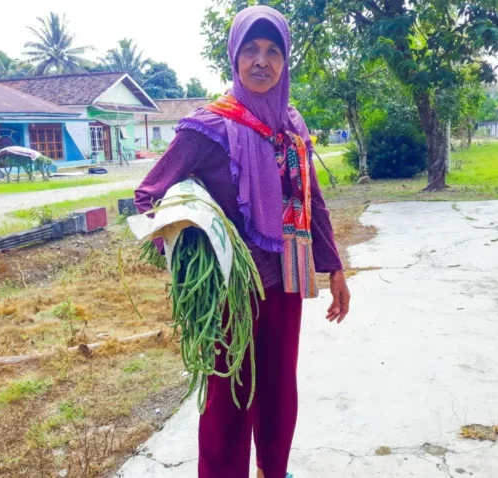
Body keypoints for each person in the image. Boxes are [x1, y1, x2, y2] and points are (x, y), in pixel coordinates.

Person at [134, 6, 350, 478]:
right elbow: (149, 195)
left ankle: (275, 471)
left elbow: (313, 199)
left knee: (278, 392)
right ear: (233, 56)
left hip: (285, 283)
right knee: (229, 400)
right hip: (229, 292)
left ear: (285, 61)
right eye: (251, 49)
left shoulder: (291, 126)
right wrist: (193, 249)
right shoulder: (209, 127)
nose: (261, 61)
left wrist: (334, 268)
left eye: (273, 51)